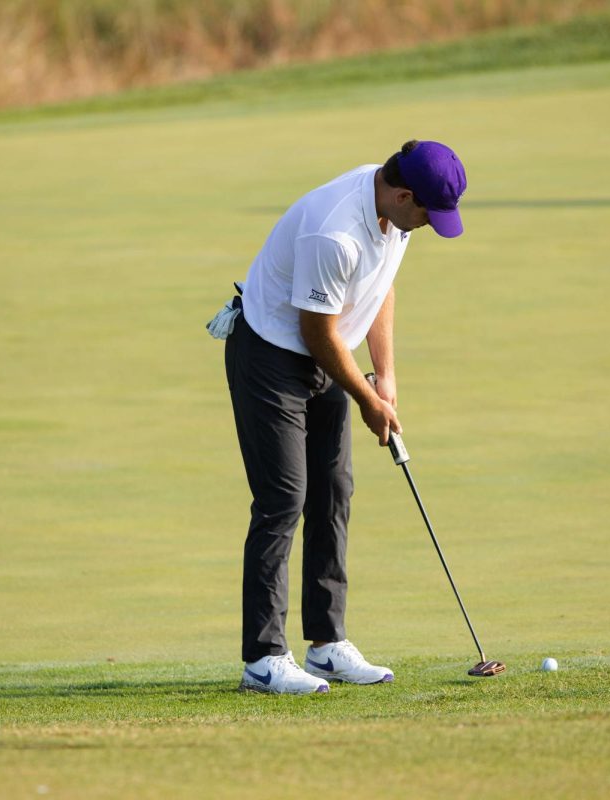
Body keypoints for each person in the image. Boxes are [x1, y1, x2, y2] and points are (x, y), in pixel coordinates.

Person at [208, 140, 467, 694]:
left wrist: (386, 376)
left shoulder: (396, 217)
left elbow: (379, 288)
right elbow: (315, 331)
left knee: (334, 490)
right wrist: (367, 399)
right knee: (284, 499)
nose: (428, 225)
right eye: (427, 213)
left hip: (325, 351)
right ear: (402, 194)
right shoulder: (336, 230)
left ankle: (325, 645)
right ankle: (263, 658)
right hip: (272, 354)